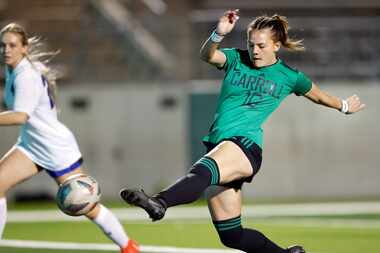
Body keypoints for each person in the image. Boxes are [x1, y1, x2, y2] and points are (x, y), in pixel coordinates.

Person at [120, 10, 365, 253]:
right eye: (251, 44)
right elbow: (207, 55)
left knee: (202, 170)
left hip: (245, 146)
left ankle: (159, 203)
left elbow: (319, 96)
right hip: (220, 145)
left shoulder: (289, 76)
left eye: (261, 45)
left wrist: (344, 106)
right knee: (231, 235)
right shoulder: (236, 59)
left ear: (276, 46)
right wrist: (218, 33)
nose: (255, 50)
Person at [0, 23, 139, 253]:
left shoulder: (26, 76)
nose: (6, 50)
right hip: (32, 145)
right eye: (3, 45)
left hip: (56, 149)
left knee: (87, 206)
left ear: (24, 48)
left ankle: (128, 246)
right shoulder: (13, 70)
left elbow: (21, 116)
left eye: (12, 45)